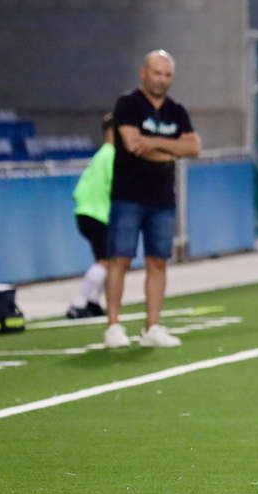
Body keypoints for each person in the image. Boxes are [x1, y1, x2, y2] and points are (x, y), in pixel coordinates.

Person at [103, 49, 201, 348]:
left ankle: (152, 326)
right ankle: (113, 325)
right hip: (128, 195)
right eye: (157, 73)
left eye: (167, 74)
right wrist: (173, 148)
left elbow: (194, 148)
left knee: (158, 261)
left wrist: (155, 144)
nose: (162, 79)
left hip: (162, 198)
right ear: (143, 73)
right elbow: (133, 145)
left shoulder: (177, 110)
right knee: (119, 259)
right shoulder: (128, 104)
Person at [67, 113, 115, 319]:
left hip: (86, 212)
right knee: (105, 261)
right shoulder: (112, 155)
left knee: (110, 260)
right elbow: (116, 187)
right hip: (97, 214)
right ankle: (79, 303)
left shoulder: (101, 154)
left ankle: (93, 301)